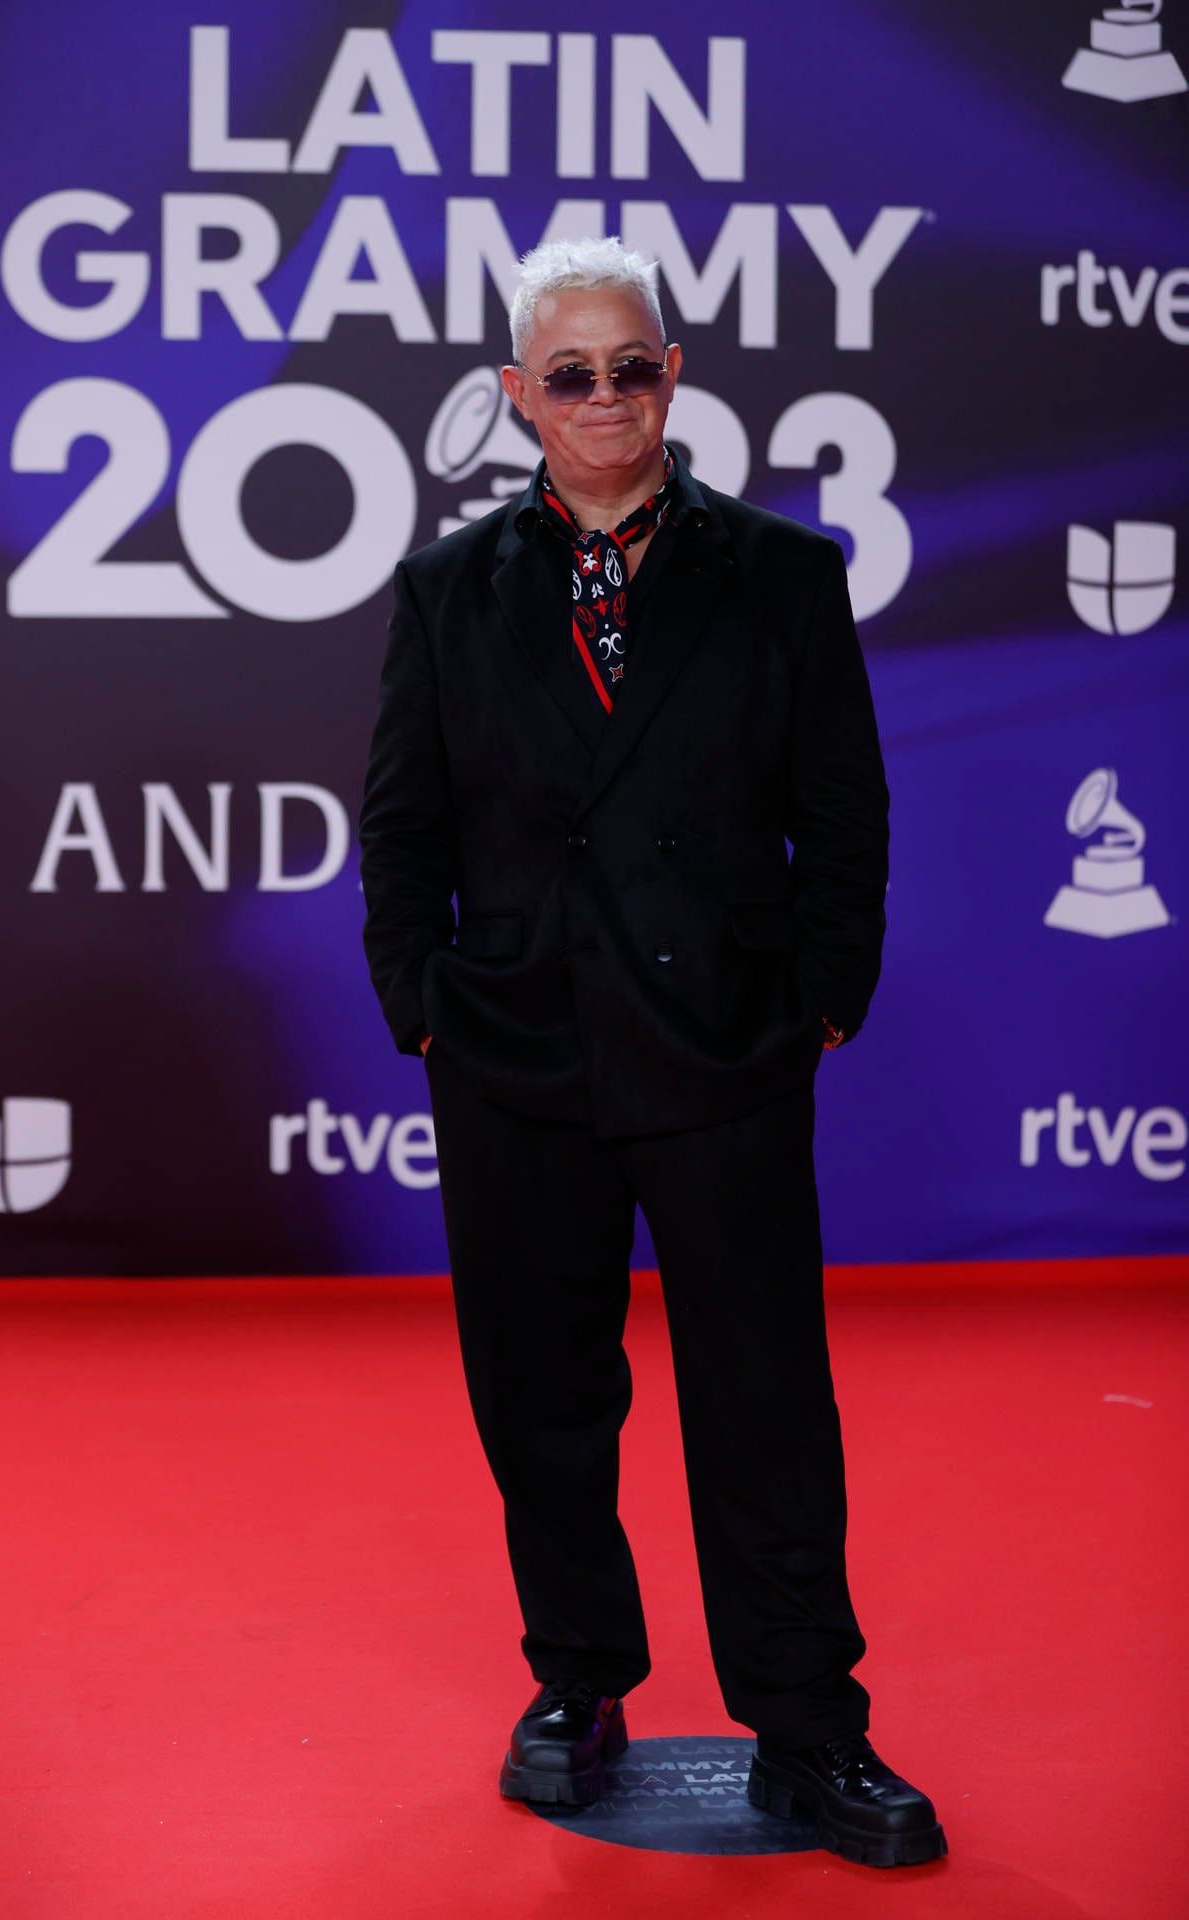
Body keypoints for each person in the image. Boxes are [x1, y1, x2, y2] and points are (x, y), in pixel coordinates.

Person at [358, 235, 946, 1869]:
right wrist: (424, 1002)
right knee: (543, 1398)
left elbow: (845, 813)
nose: (605, 397)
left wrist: (824, 993)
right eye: (571, 374)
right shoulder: (446, 591)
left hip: (725, 1050)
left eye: (634, 365)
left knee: (766, 1402)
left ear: (673, 373)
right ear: (516, 397)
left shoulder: (781, 573)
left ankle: (813, 1728)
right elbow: (400, 832)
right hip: (517, 1058)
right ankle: (577, 1685)